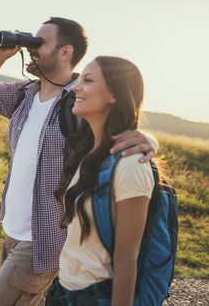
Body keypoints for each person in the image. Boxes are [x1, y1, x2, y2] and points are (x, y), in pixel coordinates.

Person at [0, 17, 157, 306]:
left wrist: (148, 138)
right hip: (12, 230)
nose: (31, 48)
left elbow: (115, 128)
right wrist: (0, 54)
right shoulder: (24, 95)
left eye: (40, 43)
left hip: (43, 239)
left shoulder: (76, 104)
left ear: (65, 52)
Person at [52, 56, 155, 305]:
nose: (76, 87)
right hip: (62, 289)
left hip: (93, 295)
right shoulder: (87, 153)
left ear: (115, 95)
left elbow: (126, 258)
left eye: (87, 80)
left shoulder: (131, 164)